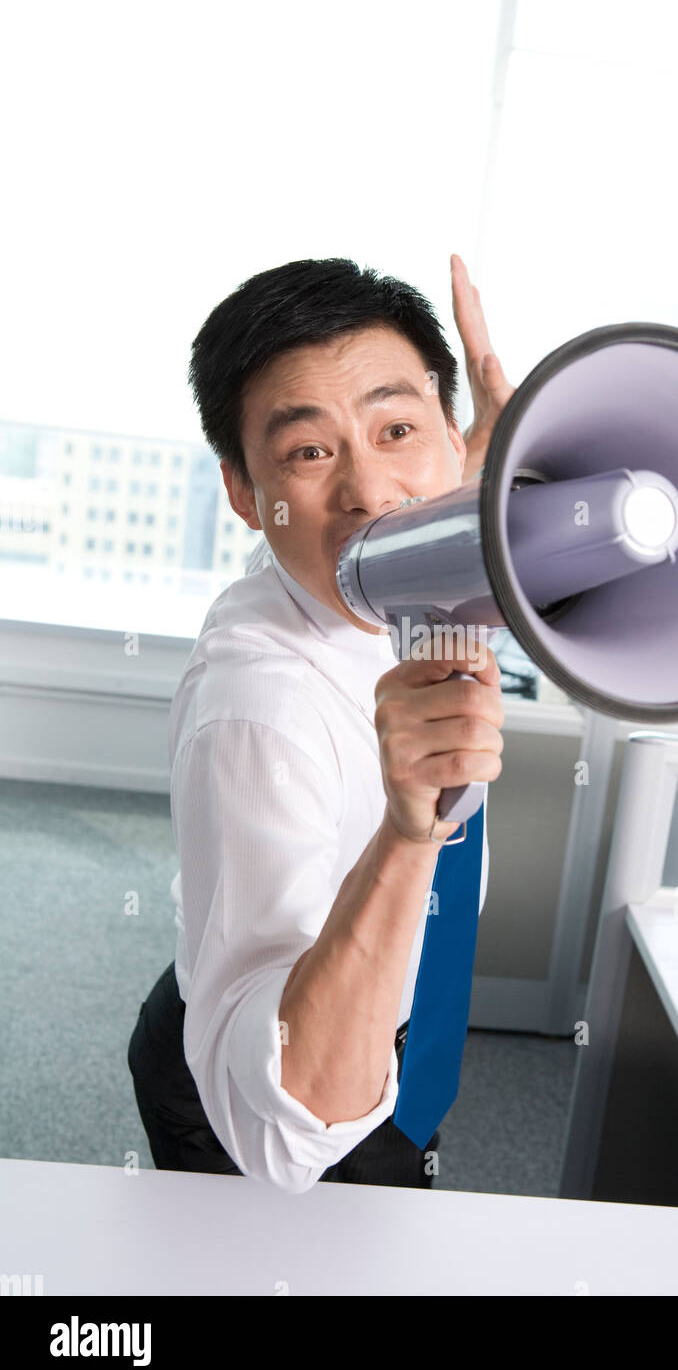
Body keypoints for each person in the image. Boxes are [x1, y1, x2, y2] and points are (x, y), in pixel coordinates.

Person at [127, 253, 514, 1192]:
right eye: (308, 451)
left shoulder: (425, 550)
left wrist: (501, 491)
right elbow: (289, 1131)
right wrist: (408, 835)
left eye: (396, 428)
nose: (373, 494)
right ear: (243, 493)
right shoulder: (258, 708)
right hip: (272, 1072)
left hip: (390, 1018)